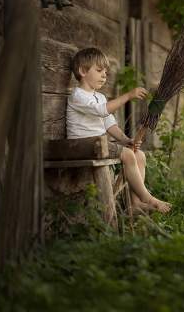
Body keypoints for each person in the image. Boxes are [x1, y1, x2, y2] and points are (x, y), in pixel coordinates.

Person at [66, 47, 171, 214]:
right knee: (128, 155)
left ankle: (134, 203)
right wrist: (128, 95)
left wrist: (126, 140)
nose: (104, 75)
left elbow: (109, 124)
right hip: (79, 145)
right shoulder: (77, 95)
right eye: (99, 70)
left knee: (138, 154)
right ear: (82, 71)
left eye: (105, 72)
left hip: (97, 143)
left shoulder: (100, 97)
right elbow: (102, 110)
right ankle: (147, 197)